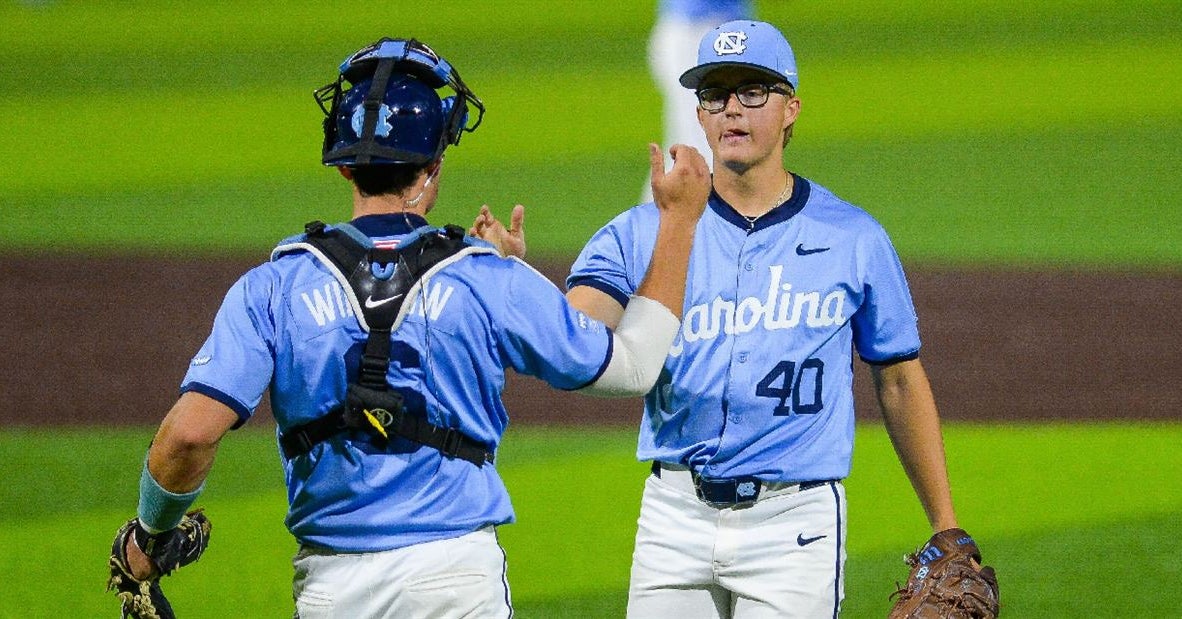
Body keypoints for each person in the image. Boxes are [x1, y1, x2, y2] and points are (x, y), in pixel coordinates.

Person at [110, 36, 709, 619]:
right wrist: (679, 221)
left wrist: (150, 537)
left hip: (332, 588)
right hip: (455, 581)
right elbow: (633, 366)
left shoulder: (273, 286)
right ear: (434, 165)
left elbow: (189, 435)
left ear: (345, 167)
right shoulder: (485, 276)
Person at [475, 20, 987, 618]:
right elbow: (577, 335)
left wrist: (945, 522)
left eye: (753, 92)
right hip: (674, 517)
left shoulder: (853, 238)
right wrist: (512, 282)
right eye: (715, 95)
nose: (731, 111)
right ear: (698, 114)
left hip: (795, 524)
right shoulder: (644, 231)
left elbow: (898, 380)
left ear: (791, 109)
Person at [642, 0, 754, 202]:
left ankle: (650, 226)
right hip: (695, 34)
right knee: (703, 145)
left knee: (689, 144)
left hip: (712, 35)